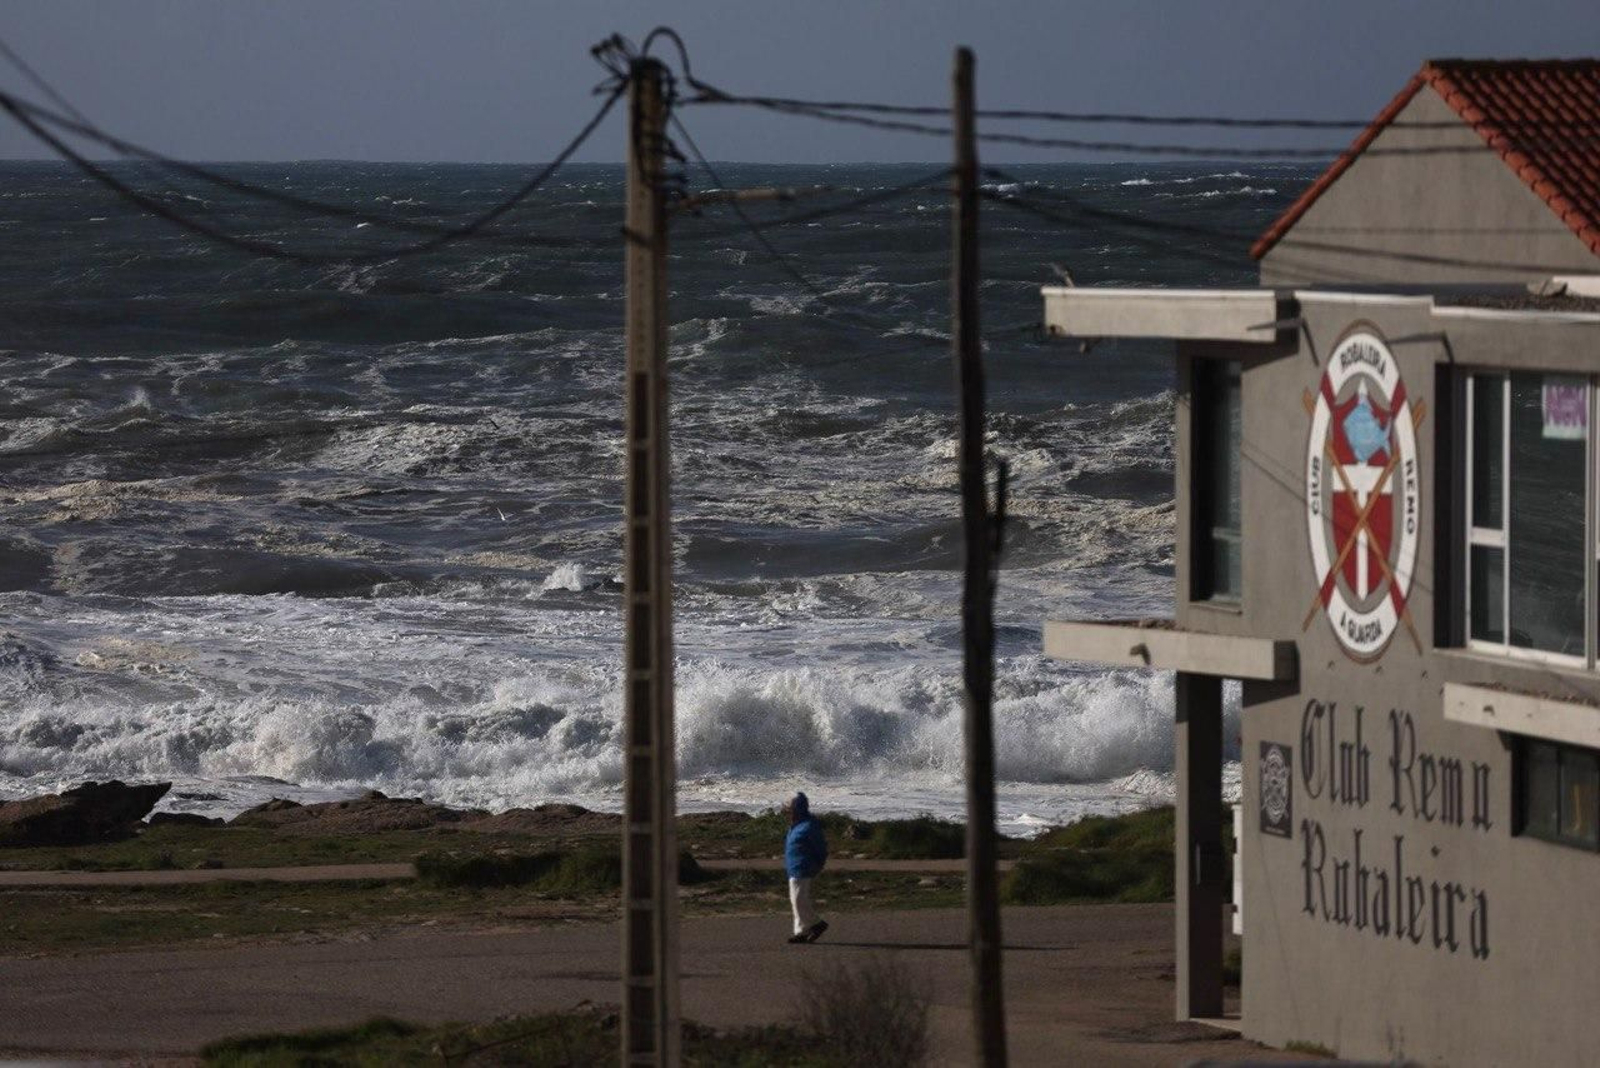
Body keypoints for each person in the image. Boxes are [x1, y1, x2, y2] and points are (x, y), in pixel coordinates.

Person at [783, 791, 829, 944]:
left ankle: (817, 924)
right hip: (793, 868)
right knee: (795, 901)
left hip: (804, 868)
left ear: (798, 808)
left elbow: (820, 848)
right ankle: (801, 931)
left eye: (790, 807)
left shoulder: (809, 825)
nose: (787, 810)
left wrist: (818, 864)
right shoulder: (795, 825)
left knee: (799, 900)